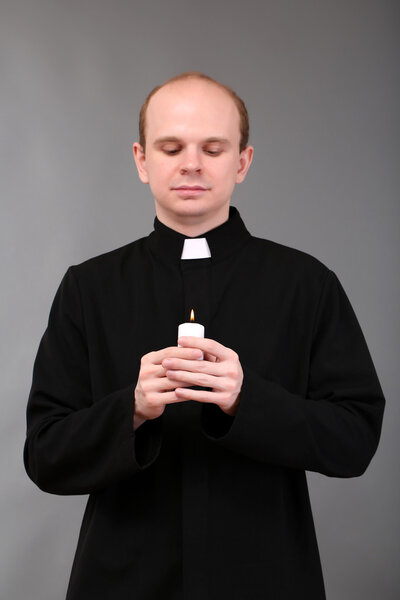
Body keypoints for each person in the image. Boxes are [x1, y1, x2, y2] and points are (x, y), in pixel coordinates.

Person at [24, 71, 385, 600]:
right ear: (142, 160)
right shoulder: (89, 287)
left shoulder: (306, 284)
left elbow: (355, 441)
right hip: (122, 581)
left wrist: (248, 400)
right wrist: (134, 407)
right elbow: (45, 454)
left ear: (242, 161)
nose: (191, 163)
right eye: (171, 147)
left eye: (212, 148)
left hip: (267, 579)